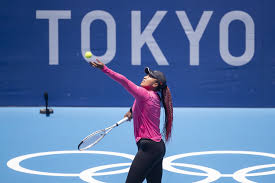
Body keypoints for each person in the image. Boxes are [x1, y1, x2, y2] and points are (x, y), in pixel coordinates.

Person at [90, 59, 173, 183]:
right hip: (158, 147)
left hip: (148, 148)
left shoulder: (144, 95)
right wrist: (132, 111)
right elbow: (140, 102)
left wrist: (104, 69)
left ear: (155, 84)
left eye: (150, 76)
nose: (145, 77)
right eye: (146, 74)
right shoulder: (154, 96)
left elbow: (124, 81)